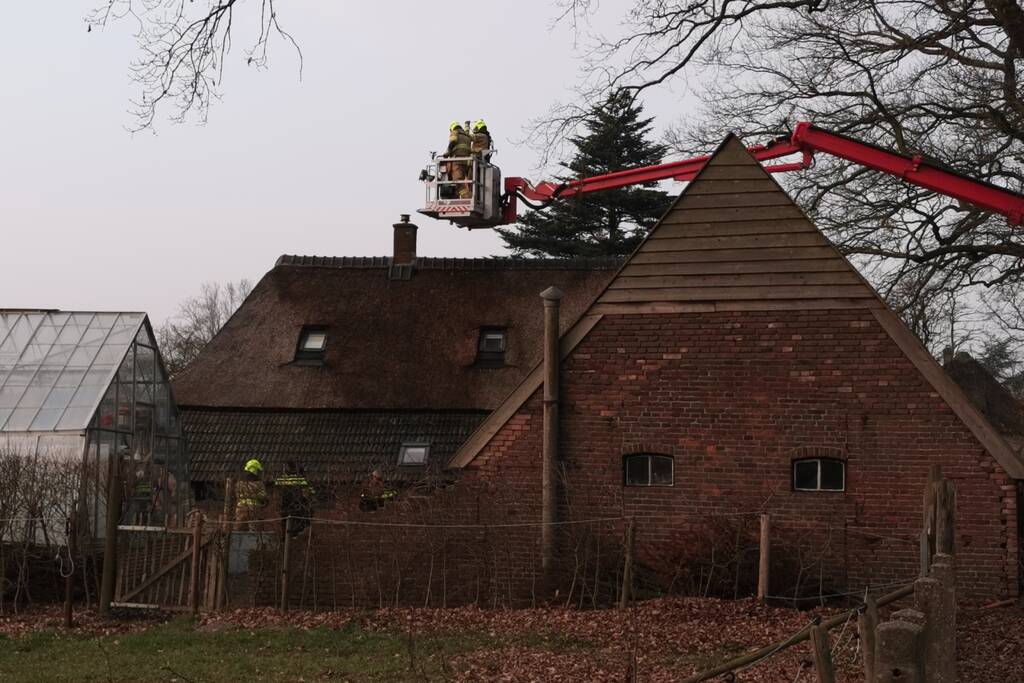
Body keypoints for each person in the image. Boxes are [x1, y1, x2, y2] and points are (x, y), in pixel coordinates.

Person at [275, 461, 314, 537]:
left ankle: (285, 536)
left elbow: (277, 488)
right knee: (298, 521)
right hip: (297, 505)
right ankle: (294, 535)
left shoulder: (283, 478)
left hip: (285, 504)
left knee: (285, 521)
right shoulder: (301, 479)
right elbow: (309, 493)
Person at [234, 458, 268, 530]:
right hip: (254, 509)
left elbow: (236, 495)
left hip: (240, 508)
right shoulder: (259, 484)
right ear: (255, 470)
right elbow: (263, 496)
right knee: (254, 530)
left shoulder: (240, 483)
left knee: (239, 529)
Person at [443, 121, 473, 199]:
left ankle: (468, 197)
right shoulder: (467, 135)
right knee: (463, 181)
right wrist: (467, 126)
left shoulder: (455, 132)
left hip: (457, 161)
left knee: (458, 182)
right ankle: (457, 197)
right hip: (466, 162)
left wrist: (447, 153)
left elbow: (452, 141)